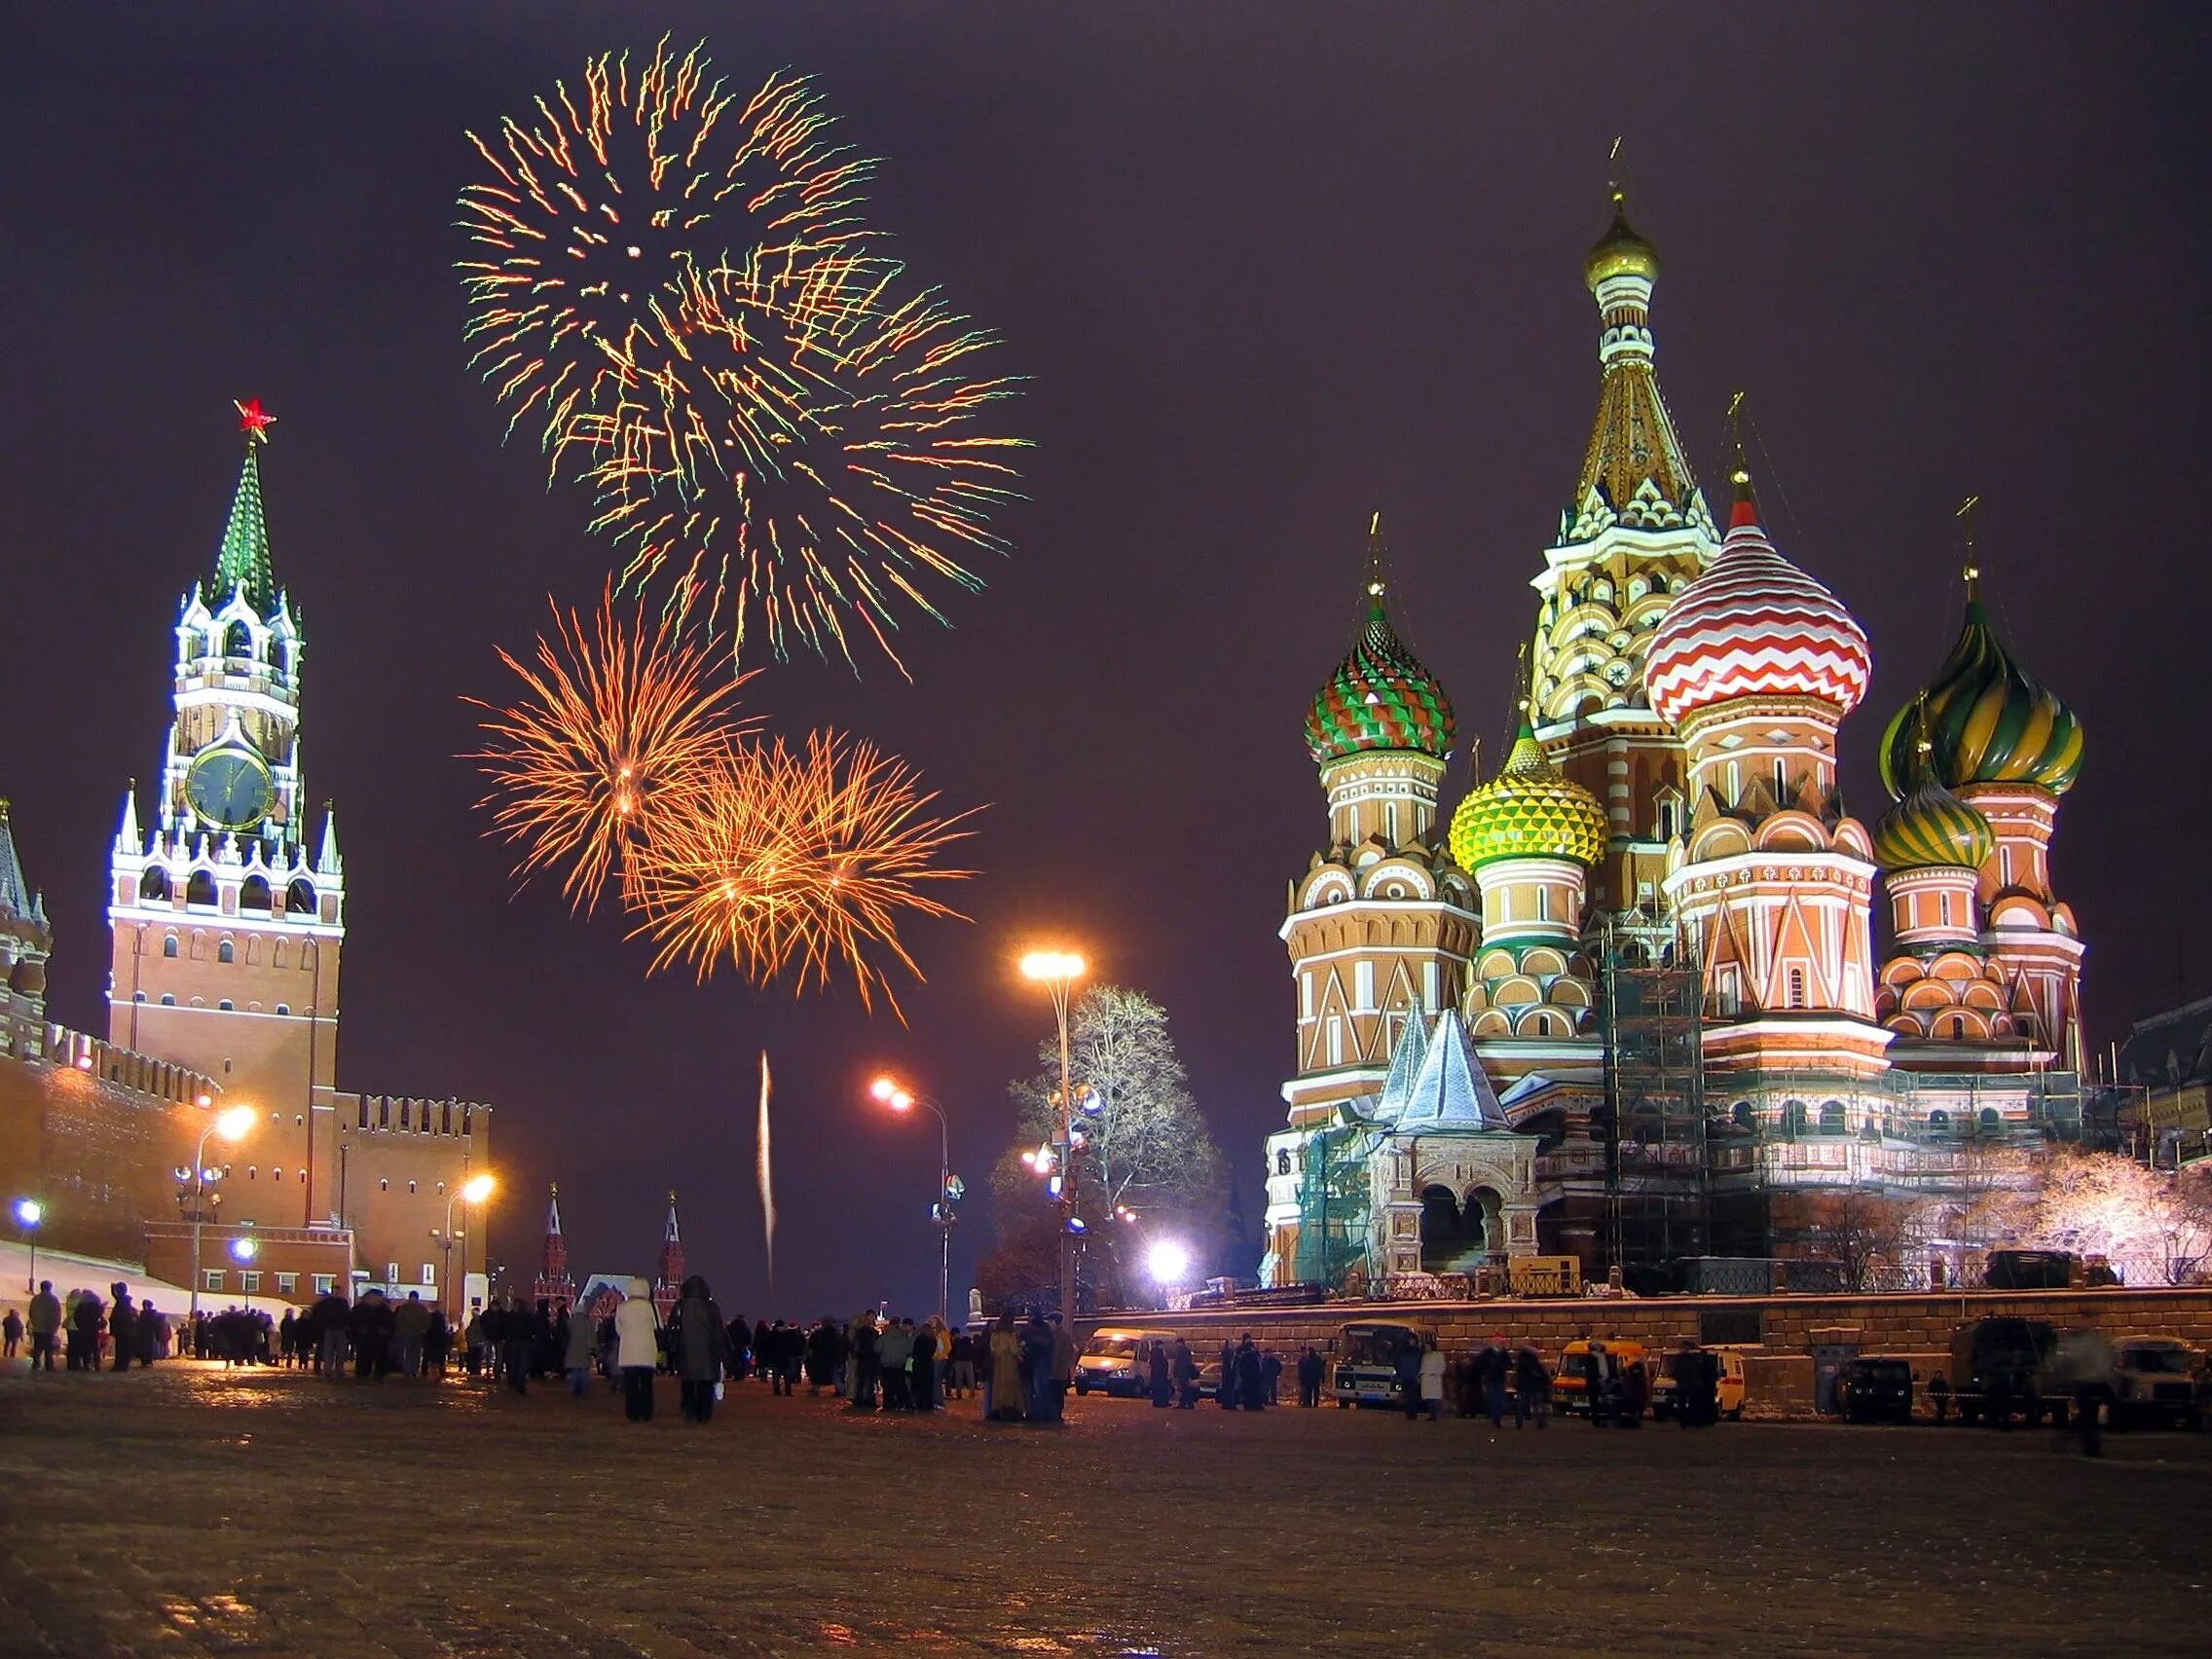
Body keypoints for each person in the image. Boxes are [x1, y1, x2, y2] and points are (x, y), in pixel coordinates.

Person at [672, 1274, 727, 1423]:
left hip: (686, 1351)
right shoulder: (711, 1307)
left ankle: (690, 1411)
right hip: (707, 1353)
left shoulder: (681, 1305)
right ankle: (703, 1413)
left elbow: (673, 1324)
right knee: (705, 1386)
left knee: (689, 1384)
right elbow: (718, 1330)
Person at [614, 1279, 660, 1422]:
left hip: (628, 1353)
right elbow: (658, 1327)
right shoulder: (651, 1307)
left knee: (631, 1384)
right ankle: (646, 1413)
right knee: (646, 1384)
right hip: (647, 1352)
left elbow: (618, 1329)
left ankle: (632, 1413)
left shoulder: (622, 1307)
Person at [986, 1311, 1024, 1421]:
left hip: (998, 1364)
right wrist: (1021, 1356)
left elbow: (992, 1348)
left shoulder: (995, 1334)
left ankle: (999, 1409)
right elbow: (1013, 1349)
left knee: (998, 1387)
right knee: (1011, 1385)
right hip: (1010, 1363)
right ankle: (1011, 1408)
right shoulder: (1010, 1334)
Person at [499, 1292, 534, 1394]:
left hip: (515, 1342)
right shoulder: (527, 1317)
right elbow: (532, 1330)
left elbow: (504, 1328)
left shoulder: (510, 1316)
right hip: (521, 1343)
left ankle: (514, 1384)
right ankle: (518, 1385)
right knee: (518, 1365)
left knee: (514, 1365)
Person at [563, 1298, 596, 1395]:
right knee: (583, 1370)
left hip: (572, 1349)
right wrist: (592, 1348)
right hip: (584, 1349)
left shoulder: (570, 1322)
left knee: (575, 1371)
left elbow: (565, 1334)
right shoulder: (587, 1323)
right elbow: (591, 1337)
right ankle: (584, 1389)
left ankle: (574, 1390)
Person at [1049, 1314, 1078, 1420]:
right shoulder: (1061, 1335)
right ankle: (1056, 1414)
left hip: (1057, 1371)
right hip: (1059, 1371)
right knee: (1057, 1393)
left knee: (1056, 1393)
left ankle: (1056, 1414)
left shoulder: (1060, 1336)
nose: (1049, 1324)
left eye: (1051, 1321)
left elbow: (1059, 1352)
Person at [1513, 1345, 1550, 1428]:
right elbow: (1539, 1372)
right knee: (1536, 1405)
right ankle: (1540, 1421)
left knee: (1522, 1405)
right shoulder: (1532, 1360)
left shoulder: (1520, 1360)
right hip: (1533, 1386)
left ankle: (1519, 1421)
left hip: (1523, 1386)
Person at [27, 1281, 59, 1372]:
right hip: (49, 1327)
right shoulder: (54, 1299)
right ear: (50, 1288)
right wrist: (55, 1325)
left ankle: (36, 1363)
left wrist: (35, 1322)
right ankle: (49, 1365)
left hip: (38, 1327)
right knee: (49, 1347)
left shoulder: (35, 1299)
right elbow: (57, 1314)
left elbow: (31, 1312)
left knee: (38, 1346)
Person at [108, 1286, 137, 1372]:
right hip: (125, 1330)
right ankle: (121, 1366)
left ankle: (121, 1366)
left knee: (122, 1349)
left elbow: (120, 1317)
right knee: (122, 1348)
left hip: (122, 1330)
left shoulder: (121, 1303)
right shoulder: (125, 1303)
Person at [1419, 1338, 1448, 1421]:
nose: (1426, 1348)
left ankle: (1435, 1415)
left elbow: (1442, 1366)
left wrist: (1436, 1373)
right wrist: (1421, 1375)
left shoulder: (1438, 1355)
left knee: (1434, 1398)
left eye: (1428, 1346)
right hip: (1426, 1379)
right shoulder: (1425, 1356)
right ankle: (1431, 1414)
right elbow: (1423, 1366)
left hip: (1434, 1378)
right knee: (1428, 1398)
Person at [1235, 1334, 1265, 1413]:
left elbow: (1259, 1360)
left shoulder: (1253, 1349)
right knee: (1246, 1389)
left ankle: (1255, 1404)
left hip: (1254, 1373)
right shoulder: (1241, 1349)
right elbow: (1238, 1360)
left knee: (1255, 1389)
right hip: (1246, 1373)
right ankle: (1247, 1404)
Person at [1395, 1338, 1423, 1421]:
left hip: (1410, 1376)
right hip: (1409, 1376)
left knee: (1410, 1396)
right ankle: (1411, 1413)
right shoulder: (1416, 1352)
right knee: (1410, 1396)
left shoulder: (1406, 1351)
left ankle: (1411, 1413)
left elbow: (1398, 1363)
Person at [1172, 1336, 1200, 1409]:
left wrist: (1175, 1372)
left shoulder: (1180, 1350)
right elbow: (1190, 1362)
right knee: (1185, 1388)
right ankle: (1187, 1403)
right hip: (1186, 1372)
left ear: (1179, 1343)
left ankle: (1185, 1404)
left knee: (1184, 1389)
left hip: (1181, 1372)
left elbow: (1177, 1361)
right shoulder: (1187, 1350)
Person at [1296, 1345, 1324, 1409]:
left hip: (1309, 1378)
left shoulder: (1306, 1359)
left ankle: (1310, 1404)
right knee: (1315, 1391)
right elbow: (1321, 1368)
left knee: (1309, 1392)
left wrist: (1301, 1378)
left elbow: (1303, 1370)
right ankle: (1315, 1404)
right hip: (1315, 1378)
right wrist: (1322, 1377)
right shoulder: (1317, 1358)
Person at [1152, 1340, 1176, 1409]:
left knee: (1157, 1389)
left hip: (1156, 1375)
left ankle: (1158, 1402)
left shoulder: (1154, 1353)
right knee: (1162, 1389)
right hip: (1160, 1375)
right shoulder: (1159, 1353)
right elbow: (1162, 1364)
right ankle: (1162, 1403)